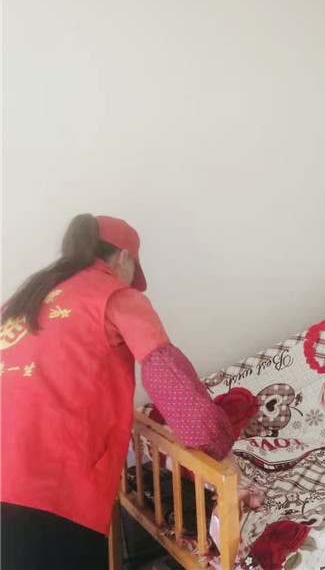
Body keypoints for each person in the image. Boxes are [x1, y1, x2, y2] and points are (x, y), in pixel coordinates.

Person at [0, 214, 236, 569]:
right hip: (54, 490)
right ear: (124, 257)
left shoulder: (23, 301)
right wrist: (219, 449)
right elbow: (168, 377)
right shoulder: (113, 294)